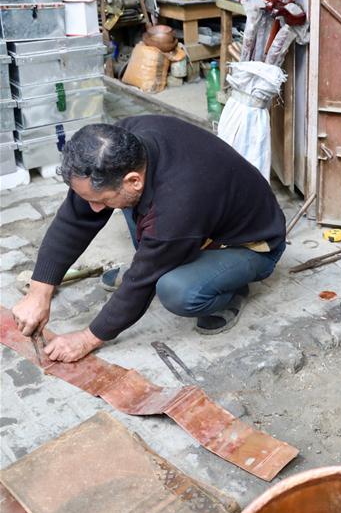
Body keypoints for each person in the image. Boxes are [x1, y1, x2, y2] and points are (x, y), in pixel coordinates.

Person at [11, 115, 286, 362]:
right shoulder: (118, 143)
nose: (93, 208)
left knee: (175, 289)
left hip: (252, 245)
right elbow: (76, 218)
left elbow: (142, 284)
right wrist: (39, 291)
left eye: (100, 200)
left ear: (134, 180)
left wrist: (87, 338)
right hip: (196, 225)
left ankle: (232, 290)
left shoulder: (177, 205)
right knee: (123, 209)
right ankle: (163, 257)